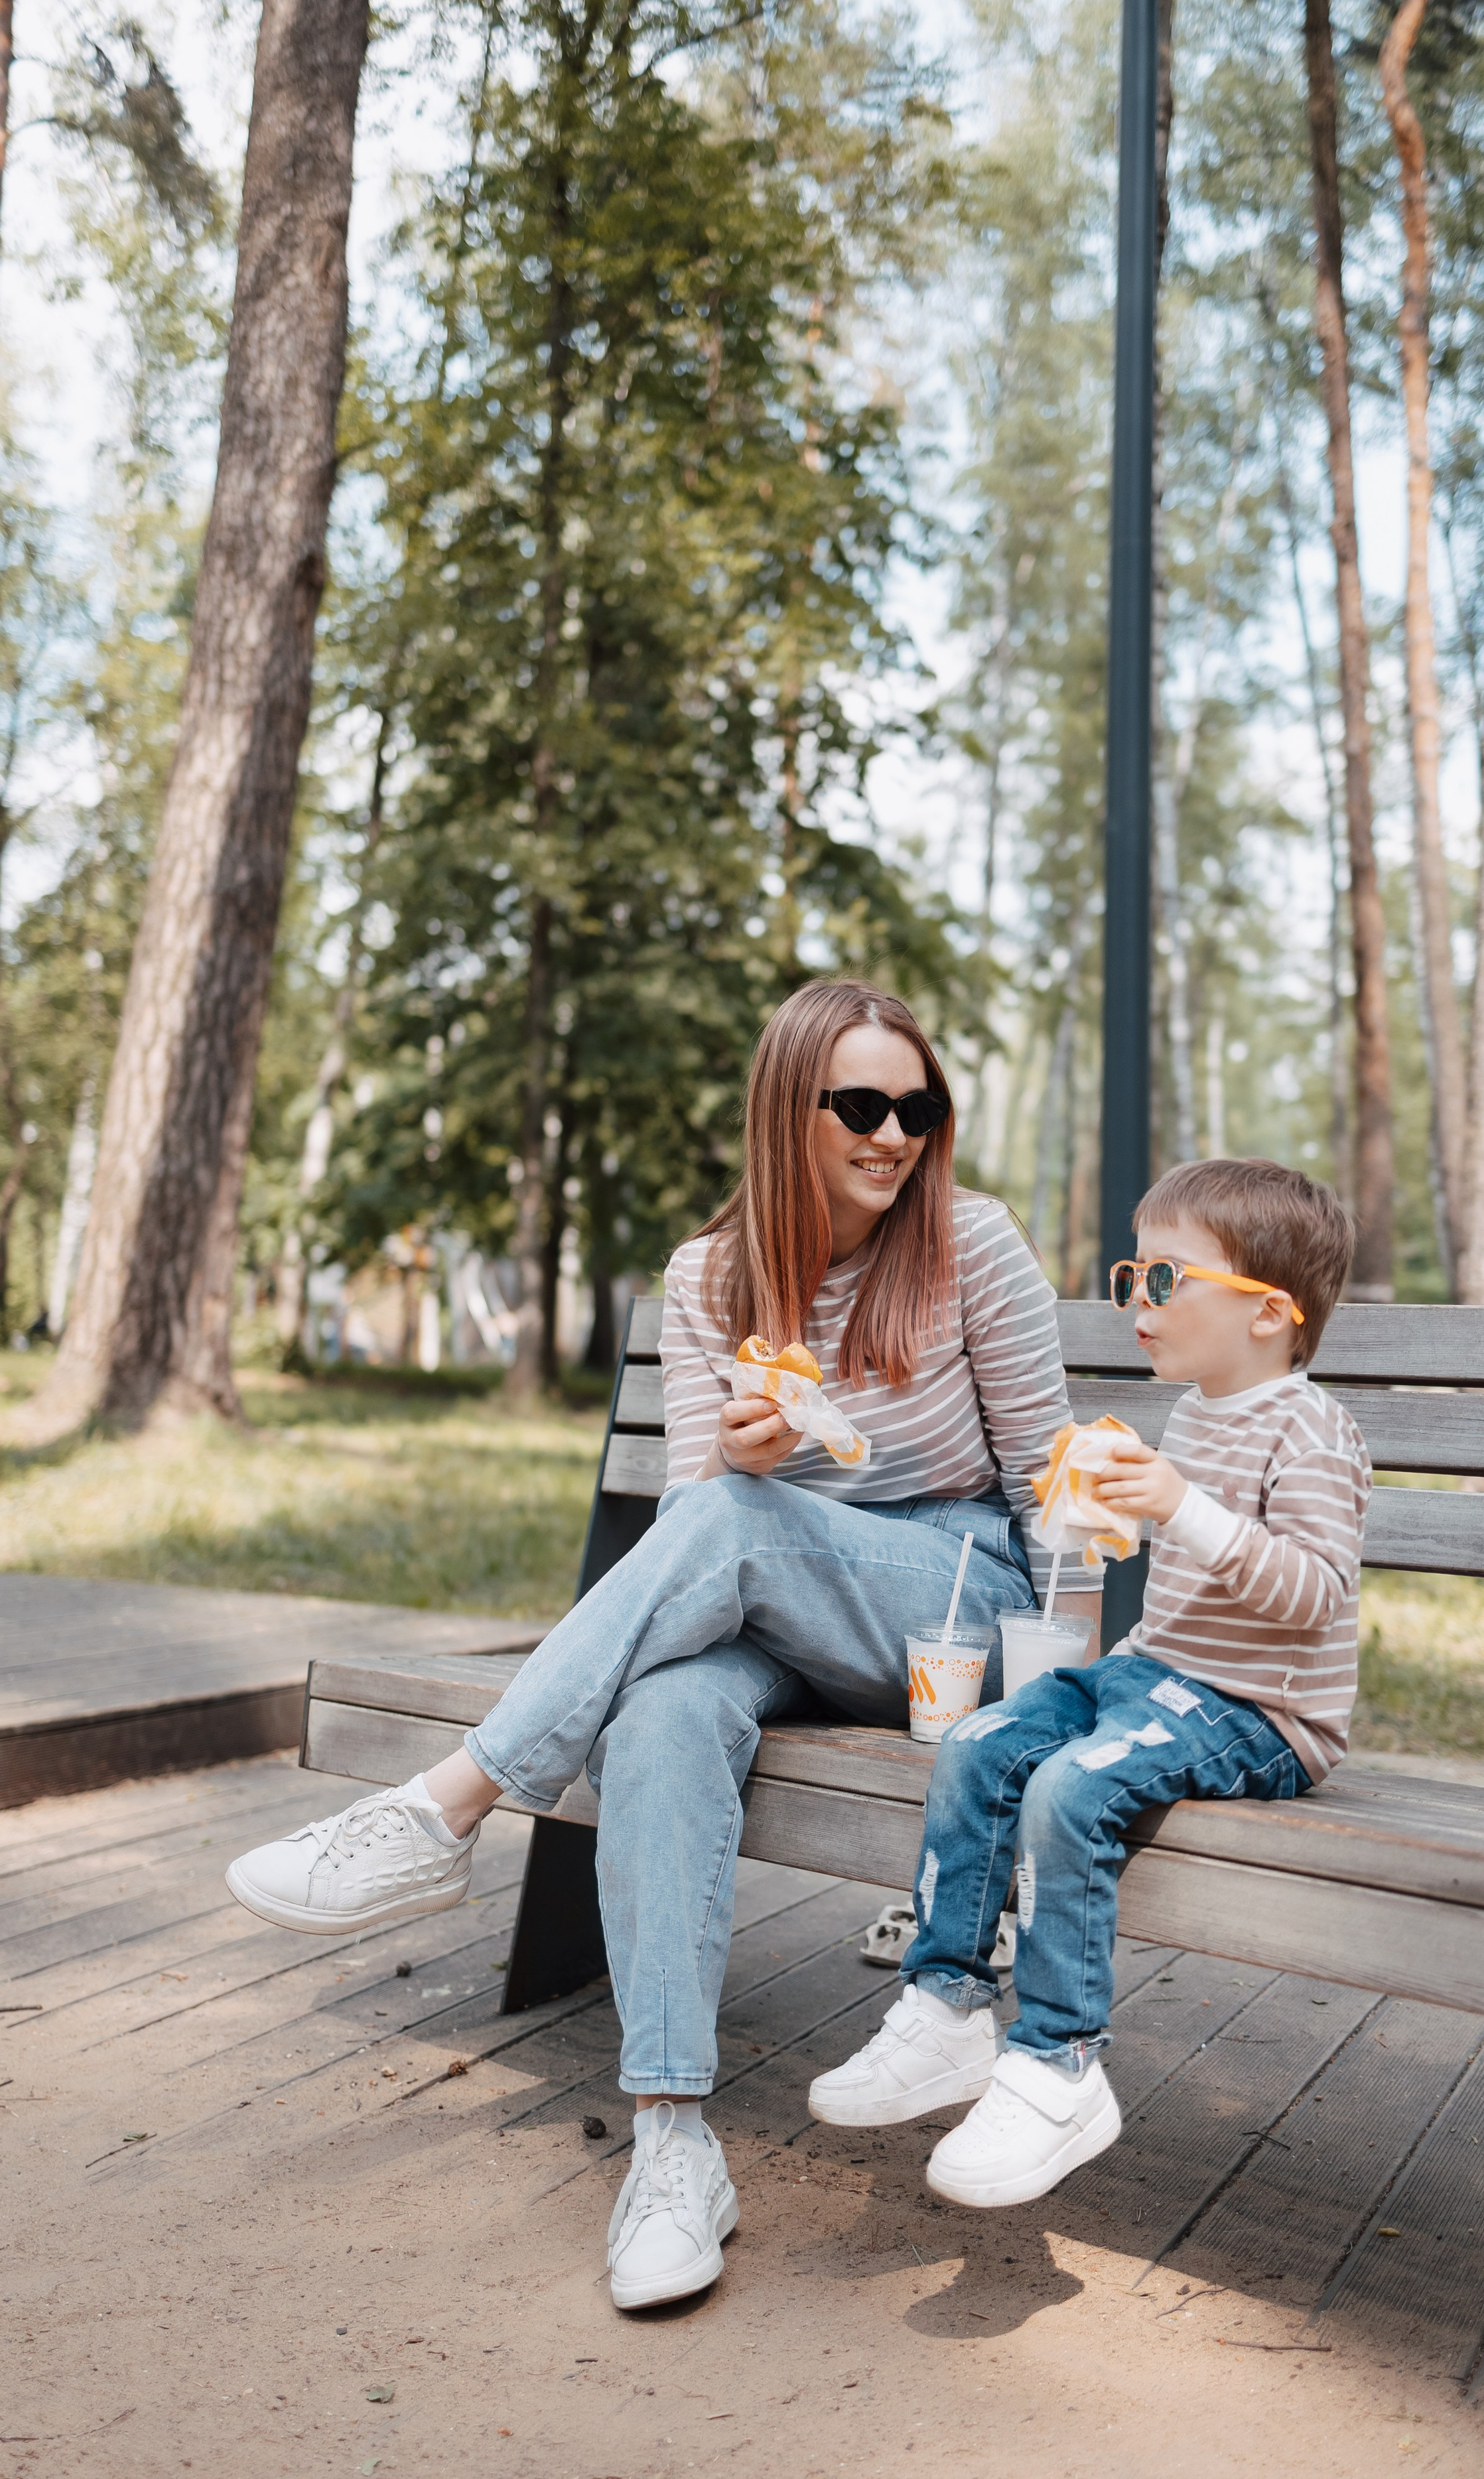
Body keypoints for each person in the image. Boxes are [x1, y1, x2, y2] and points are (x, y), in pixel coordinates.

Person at [224, 978, 1097, 2308]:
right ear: (783, 1111)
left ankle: (444, 1811)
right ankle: (674, 2142)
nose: (892, 1134)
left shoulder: (969, 1245)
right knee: (663, 1715)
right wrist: (743, 1465)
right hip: (759, 1591)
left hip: (953, 1603)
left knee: (735, 1525)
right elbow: (704, 1524)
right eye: (858, 1104)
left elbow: (1054, 1489)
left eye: (916, 1106)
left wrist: (1050, 1694)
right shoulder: (710, 1277)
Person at [807, 1156, 1371, 2211]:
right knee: (979, 1744)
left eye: (1165, 1281)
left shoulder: (1313, 1428)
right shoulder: (1199, 1412)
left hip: (1263, 1714)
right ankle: (944, 2008)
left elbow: (1313, 1595)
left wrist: (1182, 1510)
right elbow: (1184, 1575)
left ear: (1268, 1315)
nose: (1137, 1304)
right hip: (1160, 1677)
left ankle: (1060, 2063)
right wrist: (1104, 1518)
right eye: (1132, 1278)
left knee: (1074, 1783)